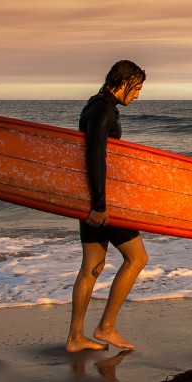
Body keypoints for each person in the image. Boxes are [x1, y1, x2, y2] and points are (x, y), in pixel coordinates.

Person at [65, 60, 148, 353]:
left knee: (92, 266)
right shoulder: (102, 110)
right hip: (101, 201)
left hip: (88, 198)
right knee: (137, 259)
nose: (137, 95)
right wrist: (100, 206)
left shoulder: (95, 105)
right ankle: (106, 327)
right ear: (123, 81)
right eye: (136, 88)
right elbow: (95, 156)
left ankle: (76, 337)